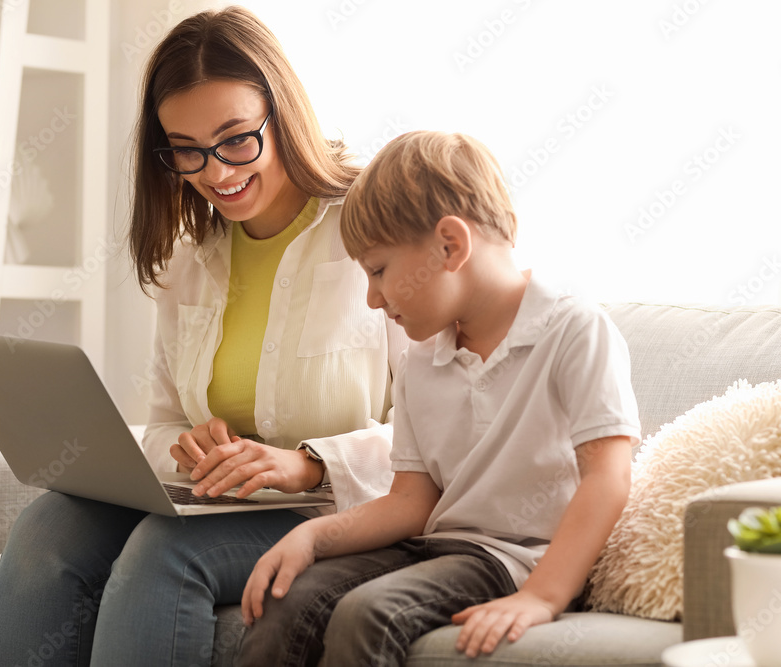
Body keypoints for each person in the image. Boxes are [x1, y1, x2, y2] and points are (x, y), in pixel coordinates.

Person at [0, 7, 404, 667]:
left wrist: (308, 462)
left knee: (163, 552)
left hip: (342, 508)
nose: (216, 171)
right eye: (187, 149)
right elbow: (163, 422)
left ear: (282, 111)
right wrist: (187, 447)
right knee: (47, 527)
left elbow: (437, 433)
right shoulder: (190, 260)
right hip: (220, 505)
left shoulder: (373, 227)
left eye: (237, 138)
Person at [237, 131, 640, 666]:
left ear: (450, 245)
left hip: (511, 559)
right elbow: (411, 502)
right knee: (283, 602)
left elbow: (607, 477)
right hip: (434, 547)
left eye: (378, 270)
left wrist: (543, 594)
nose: (372, 298)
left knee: (368, 614)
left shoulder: (575, 331)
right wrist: (313, 536)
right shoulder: (420, 362)